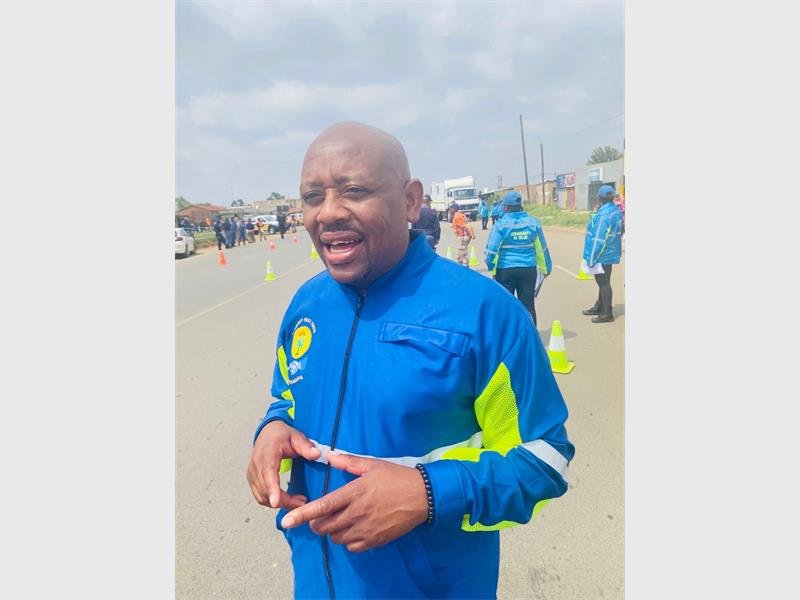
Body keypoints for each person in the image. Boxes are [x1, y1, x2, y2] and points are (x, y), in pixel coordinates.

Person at [246, 121, 574, 599]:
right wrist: (272, 428)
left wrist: (428, 493)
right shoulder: (306, 305)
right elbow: (286, 398)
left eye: (354, 191)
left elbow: (546, 459)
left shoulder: (483, 313)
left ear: (410, 201)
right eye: (313, 196)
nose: (328, 212)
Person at [484, 191, 552, 327]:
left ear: (506, 207)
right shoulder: (533, 223)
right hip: (528, 270)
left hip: (505, 271)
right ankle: (531, 336)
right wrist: (546, 268)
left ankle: (507, 337)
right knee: (528, 305)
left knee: (505, 306)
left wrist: (492, 268)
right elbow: (542, 248)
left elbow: (491, 251)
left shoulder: (500, 225)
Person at [581, 184, 624, 323]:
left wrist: (592, 258)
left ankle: (607, 312)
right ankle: (599, 306)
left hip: (602, 254)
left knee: (603, 283)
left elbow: (598, 239)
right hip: (611, 251)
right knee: (604, 282)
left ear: (599, 198)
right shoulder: (615, 210)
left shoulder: (604, 215)